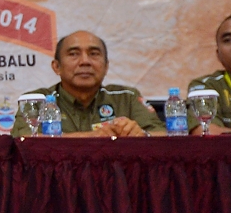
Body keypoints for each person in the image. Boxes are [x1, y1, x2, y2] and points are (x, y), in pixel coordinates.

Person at [11, 31, 163, 137]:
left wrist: (142, 135)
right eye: (74, 54)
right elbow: (24, 139)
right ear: (57, 67)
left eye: (94, 54)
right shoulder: (37, 100)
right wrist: (93, 137)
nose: (85, 61)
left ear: (106, 66)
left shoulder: (126, 98)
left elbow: (165, 136)